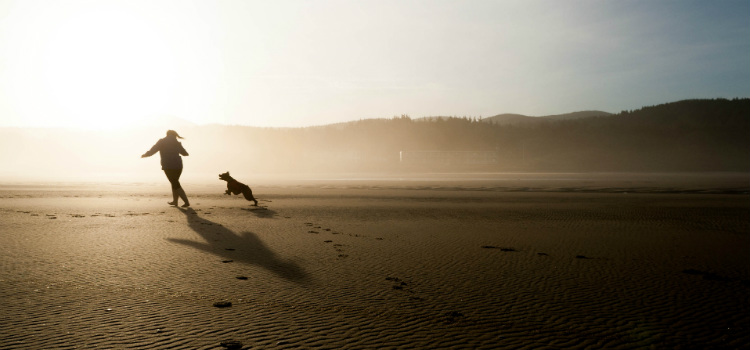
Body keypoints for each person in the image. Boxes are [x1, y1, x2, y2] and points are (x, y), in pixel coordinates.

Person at [141, 130, 190, 207]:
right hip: (178, 165)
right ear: (174, 135)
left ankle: (186, 202)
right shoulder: (177, 143)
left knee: (175, 183)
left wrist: (145, 155)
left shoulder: (162, 141)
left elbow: (153, 150)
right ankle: (175, 201)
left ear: (167, 135)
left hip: (168, 165)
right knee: (174, 182)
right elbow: (185, 153)